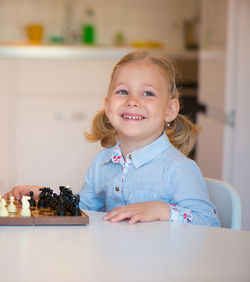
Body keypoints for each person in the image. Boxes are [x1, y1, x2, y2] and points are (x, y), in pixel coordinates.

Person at [4, 51, 220, 227]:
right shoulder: (102, 163)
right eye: (123, 91)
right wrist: (45, 195)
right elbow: (86, 207)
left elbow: (209, 222)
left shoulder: (179, 169)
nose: (133, 101)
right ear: (108, 107)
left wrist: (162, 210)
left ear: (170, 110)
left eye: (148, 93)